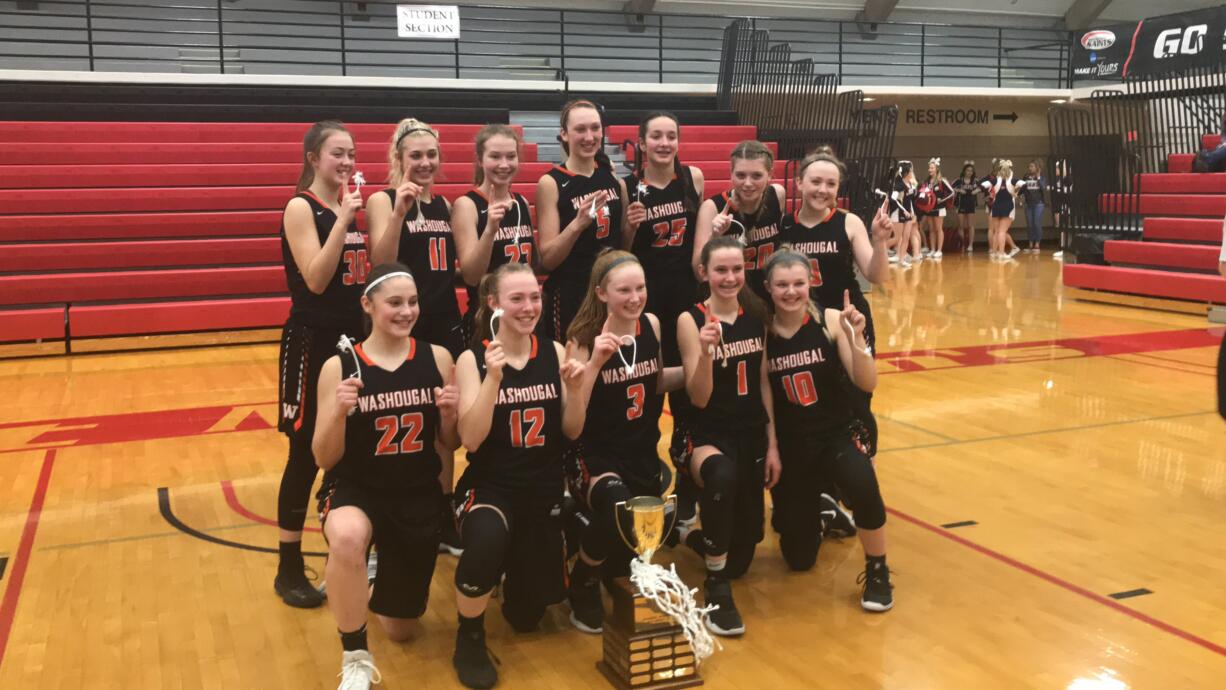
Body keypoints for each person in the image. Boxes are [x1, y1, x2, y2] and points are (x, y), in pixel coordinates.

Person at [311, 263, 461, 689]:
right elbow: (324, 457)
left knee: (400, 629)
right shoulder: (340, 366)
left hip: (415, 493)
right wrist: (338, 413)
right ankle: (355, 655)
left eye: (412, 302)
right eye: (395, 302)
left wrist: (449, 416)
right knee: (346, 537)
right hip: (357, 487)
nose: (406, 311)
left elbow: (448, 444)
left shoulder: (437, 357)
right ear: (368, 305)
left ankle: (365, 575)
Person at [449, 262, 598, 689]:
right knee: (488, 539)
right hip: (489, 487)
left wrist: (574, 390)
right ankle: (469, 636)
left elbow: (572, 430)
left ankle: (518, 567)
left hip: (542, 489)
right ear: (493, 303)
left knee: (527, 618)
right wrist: (493, 379)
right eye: (517, 298)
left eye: (535, 296)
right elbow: (471, 440)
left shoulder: (552, 351)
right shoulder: (472, 358)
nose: (530, 306)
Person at [761, 249, 893, 611]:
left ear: (810, 284)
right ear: (768, 288)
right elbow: (765, 392)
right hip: (793, 444)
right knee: (799, 559)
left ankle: (878, 569)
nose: (791, 292)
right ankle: (822, 509)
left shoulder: (832, 320)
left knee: (863, 485)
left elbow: (867, 384)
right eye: (782, 285)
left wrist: (858, 338)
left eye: (798, 283)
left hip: (836, 432)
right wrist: (771, 446)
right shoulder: (763, 331)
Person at [562, 250, 684, 634]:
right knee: (617, 509)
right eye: (623, 290)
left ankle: (586, 538)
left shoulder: (650, 324)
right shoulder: (580, 340)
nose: (635, 297)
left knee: (625, 563)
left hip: (643, 454)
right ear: (601, 293)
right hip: (595, 457)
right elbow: (572, 426)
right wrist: (595, 364)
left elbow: (656, 380)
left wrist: (707, 360)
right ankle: (580, 576)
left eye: (640, 287)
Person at [275, 120, 368, 609]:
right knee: (304, 453)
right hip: (311, 342)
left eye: (352, 153)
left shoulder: (343, 206)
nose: (348, 162)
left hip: (351, 341)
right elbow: (314, 279)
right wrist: (345, 223)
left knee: (349, 446)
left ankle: (350, 550)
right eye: (338, 153)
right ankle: (288, 567)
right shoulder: (301, 207)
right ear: (314, 158)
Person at [675, 235, 780, 637]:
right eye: (721, 269)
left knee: (743, 553)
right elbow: (698, 398)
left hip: (750, 432)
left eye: (737, 269)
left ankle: (685, 533)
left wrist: (772, 445)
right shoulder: (691, 319)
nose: (730, 277)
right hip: (704, 433)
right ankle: (714, 586)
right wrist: (704, 353)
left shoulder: (757, 313)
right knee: (723, 477)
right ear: (704, 272)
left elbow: (763, 383)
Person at [778, 146, 891, 458]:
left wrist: (880, 242)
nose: (822, 190)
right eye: (816, 182)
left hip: (849, 319)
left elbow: (876, 275)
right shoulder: (785, 226)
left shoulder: (849, 222)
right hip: (806, 326)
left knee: (858, 395)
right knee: (818, 396)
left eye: (831, 184)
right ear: (799, 183)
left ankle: (861, 467)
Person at [367, 118, 464, 357]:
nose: (425, 163)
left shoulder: (446, 205)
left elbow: (443, 268)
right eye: (416, 156)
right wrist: (399, 214)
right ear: (399, 159)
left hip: (445, 316)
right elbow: (382, 266)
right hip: (403, 317)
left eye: (432, 154)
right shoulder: (383, 201)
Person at [536, 99, 628, 341]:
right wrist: (576, 225)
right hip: (571, 293)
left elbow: (622, 245)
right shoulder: (551, 182)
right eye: (580, 129)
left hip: (610, 290)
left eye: (595, 128)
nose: (589, 136)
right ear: (564, 134)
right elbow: (548, 259)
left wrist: (633, 225)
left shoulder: (612, 178)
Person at [623, 111, 705, 369]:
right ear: (643, 144)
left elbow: (701, 235)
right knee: (653, 363)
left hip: (687, 287)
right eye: (656, 136)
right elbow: (622, 250)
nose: (664, 143)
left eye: (671, 136)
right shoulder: (627, 186)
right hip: (648, 289)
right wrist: (630, 227)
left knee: (687, 360)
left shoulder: (694, 177)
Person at [452, 123, 537, 344]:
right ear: (480, 160)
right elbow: (471, 276)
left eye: (511, 156)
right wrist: (490, 230)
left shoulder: (522, 203)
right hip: (487, 319)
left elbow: (533, 264)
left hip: (525, 315)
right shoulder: (467, 205)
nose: (504, 164)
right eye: (495, 156)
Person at [693, 140, 786, 299]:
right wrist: (713, 237)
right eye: (741, 175)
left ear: (770, 175)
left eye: (757, 175)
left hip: (770, 295)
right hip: (730, 297)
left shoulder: (777, 195)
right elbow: (698, 271)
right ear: (731, 173)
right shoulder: (713, 207)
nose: (748, 183)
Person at [982, 159, 1022, 261]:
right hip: (1008, 206)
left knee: (997, 231)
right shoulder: (1012, 180)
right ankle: (1001, 253)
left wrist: (989, 194)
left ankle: (995, 252)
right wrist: (1017, 194)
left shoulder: (996, 180)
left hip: (996, 206)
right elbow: (1024, 184)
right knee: (1002, 231)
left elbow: (981, 184)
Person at [918, 158, 955, 260]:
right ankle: (933, 249)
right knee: (931, 230)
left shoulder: (941, 180)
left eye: (932, 168)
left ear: (937, 169)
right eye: (929, 168)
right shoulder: (927, 181)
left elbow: (952, 192)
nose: (930, 170)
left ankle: (939, 250)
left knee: (938, 229)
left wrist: (941, 200)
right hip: (929, 208)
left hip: (940, 208)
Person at [886, 161, 919, 267]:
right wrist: (904, 210)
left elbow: (909, 201)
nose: (912, 172)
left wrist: (912, 212)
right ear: (906, 173)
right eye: (910, 171)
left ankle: (901, 260)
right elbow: (893, 199)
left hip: (908, 215)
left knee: (906, 237)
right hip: (898, 214)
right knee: (897, 238)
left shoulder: (910, 185)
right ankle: (879, 250)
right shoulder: (899, 185)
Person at [952, 161, 981, 253]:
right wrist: (959, 190)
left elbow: (982, 187)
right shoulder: (959, 180)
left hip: (971, 204)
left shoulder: (975, 180)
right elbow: (950, 188)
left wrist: (976, 191)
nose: (969, 172)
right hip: (960, 204)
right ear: (964, 171)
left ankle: (970, 245)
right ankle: (962, 244)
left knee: (970, 225)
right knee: (961, 225)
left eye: (971, 171)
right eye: (968, 170)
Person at [1019, 160, 1047, 254]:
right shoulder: (1026, 176)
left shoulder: (1042, 177)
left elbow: (1043, 187)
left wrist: (1038, 177)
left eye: (1032, 166)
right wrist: (1021, 197)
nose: (1030, 168)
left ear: (1037, 168)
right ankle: (1030, 242)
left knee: (1036, 222)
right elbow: (1022, 189)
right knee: (1030, 224)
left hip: (1038, 204)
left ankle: (1037, 243)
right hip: (1028, 204)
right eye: (1029, 166)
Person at [1051, 160, 1071, 260]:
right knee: (1061, 228)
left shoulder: (1068, 179)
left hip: (1066, 206)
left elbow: (1067, 194)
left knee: (1065, 227)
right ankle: (1062, 248)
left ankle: (1065, 248)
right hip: (1059, 206)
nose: (1056, 170)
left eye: (1058, 168)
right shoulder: (1056, 179)